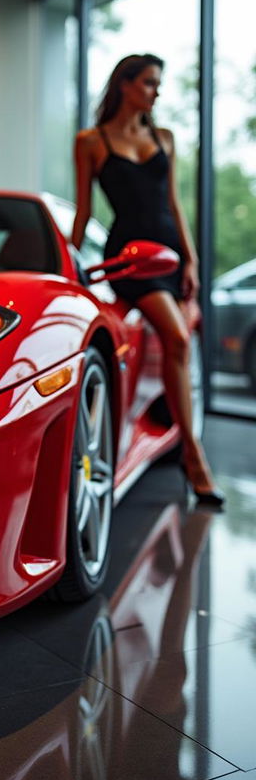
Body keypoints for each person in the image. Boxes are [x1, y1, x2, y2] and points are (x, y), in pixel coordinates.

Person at [71, 52, 224, 506]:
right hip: (131, 260)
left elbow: (174, 204)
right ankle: (193, 458)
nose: (157, 92)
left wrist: (191, 260)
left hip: (171, 256)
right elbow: (84, 211)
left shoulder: (165, 138)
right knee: (177, 340)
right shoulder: (91, 141)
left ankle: (177, 445)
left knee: (176, 346)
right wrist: (70, 261)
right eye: (150, 83)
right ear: (126, 84)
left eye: (158, 84)